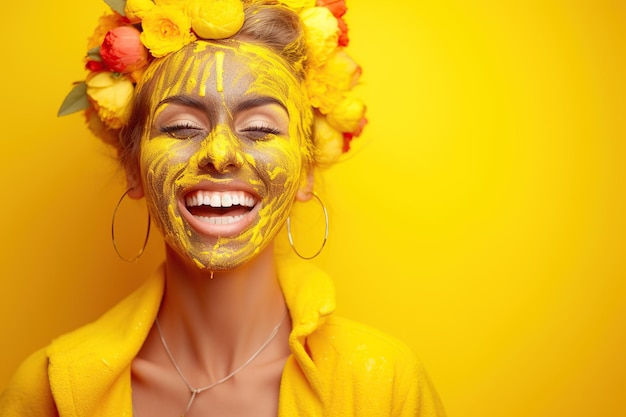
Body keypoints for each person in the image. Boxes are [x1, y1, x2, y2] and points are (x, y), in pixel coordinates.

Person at [0, 0, 445, 415]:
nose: (220, 152)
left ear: (307, 169)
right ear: (133, 167)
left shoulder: (383, 385)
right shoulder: (50, 390)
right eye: (181, 127)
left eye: (259, 128)